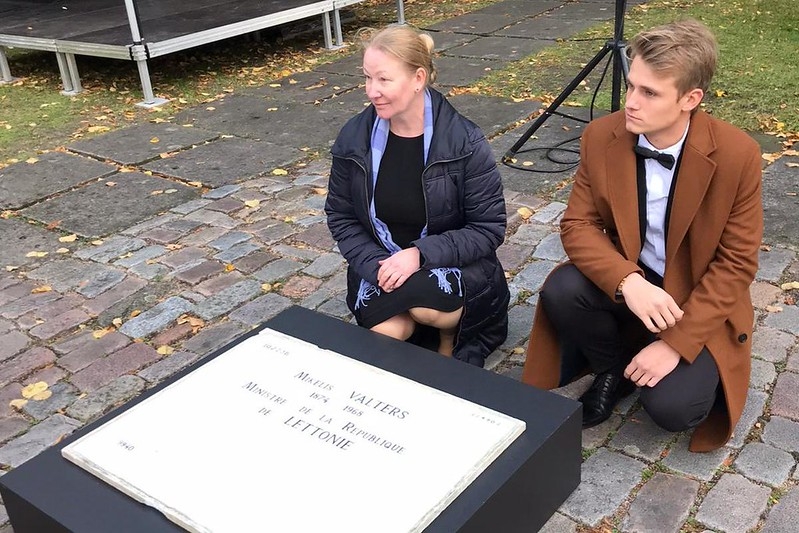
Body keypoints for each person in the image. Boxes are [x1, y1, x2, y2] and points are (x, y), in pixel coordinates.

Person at [521, 19, 763, 452]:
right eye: (631, 85)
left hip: (694, 299)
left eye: (649, 92)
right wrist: (628, 282)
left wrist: (676, 343)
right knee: (562, 289)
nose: (630, 102)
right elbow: (577, 225)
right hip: (635, 279)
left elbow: (737, 264)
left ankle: (657, 354)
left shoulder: (737, 155)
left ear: (691, 99)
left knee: (673, 410)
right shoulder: (601, 136)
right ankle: (612, 369)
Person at [325, 24, 510, 366]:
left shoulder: (463, 141)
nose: (372, 91)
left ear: (418, 78)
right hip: (382, 263)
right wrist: (375, 265)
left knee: (425, 305)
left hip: (450, 267)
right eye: (367, 78)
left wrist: (418, 256)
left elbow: (488, 228)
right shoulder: (354, 137)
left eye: (384, 79)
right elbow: (341, 215)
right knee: (387, 331)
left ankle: (448, 338)